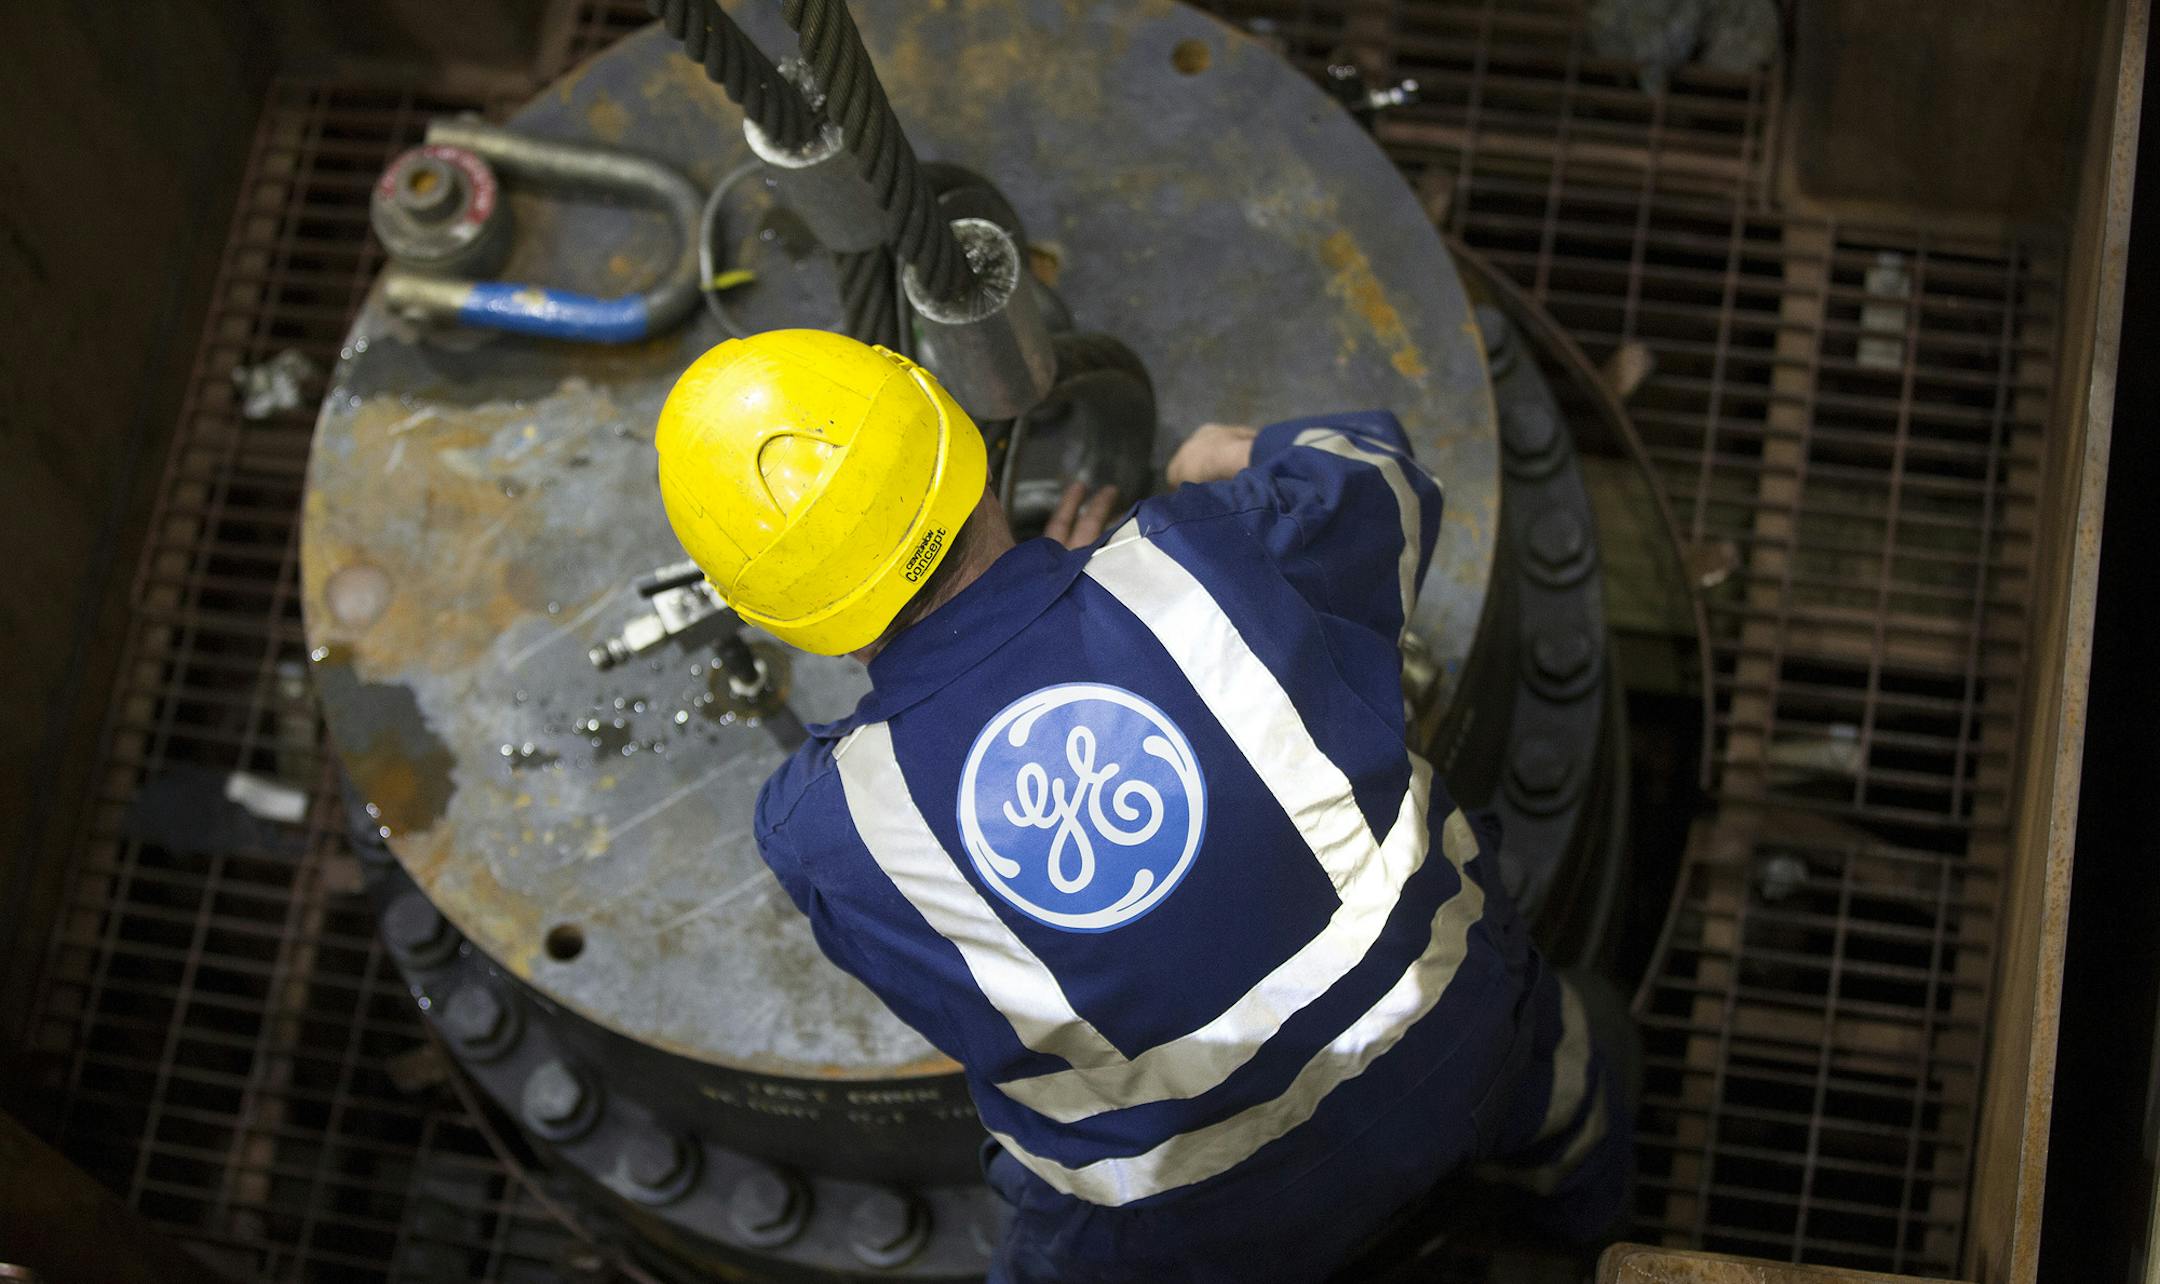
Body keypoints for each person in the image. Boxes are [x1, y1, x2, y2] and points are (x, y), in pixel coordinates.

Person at [654, 329, 1630, 1281]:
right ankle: (1591, 1211)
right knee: (1576, 1056)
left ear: (781, 617)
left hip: (1177, 1223)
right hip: (1456, 1043)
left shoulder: (822, 832)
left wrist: (1033, 625)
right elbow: (1373, 473)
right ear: (973, 453)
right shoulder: (1219, 552)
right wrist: (1209, 472)